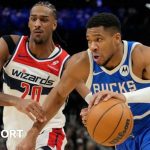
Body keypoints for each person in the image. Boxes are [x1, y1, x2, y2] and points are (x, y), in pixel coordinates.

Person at [17, 12, 150, 150]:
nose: (92, 46)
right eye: (89, 40)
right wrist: (32, 134)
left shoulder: (140, 55)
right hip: (122, 135)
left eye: (98, 39)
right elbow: (59, 95)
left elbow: (121, 98)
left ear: (116, 38)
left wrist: (124, 97)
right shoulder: (82, 62)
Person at [0, 1, 90, 150]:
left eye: (43, 19)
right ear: (28, 23)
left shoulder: (65, 62)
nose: (37, 24)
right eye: (33, 19)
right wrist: (17, 101)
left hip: (48, 131)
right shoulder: (9, 46)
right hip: (15, 133)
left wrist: (92, 109)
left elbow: (90, 96)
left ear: (54, 25)